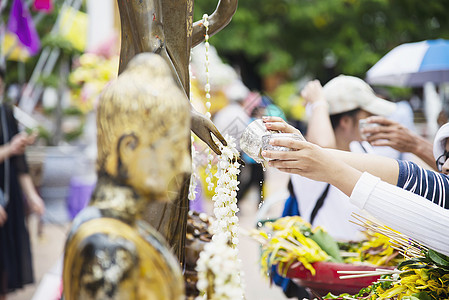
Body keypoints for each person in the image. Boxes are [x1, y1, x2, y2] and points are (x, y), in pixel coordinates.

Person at [63, 53, 188, 299]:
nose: (185, 166)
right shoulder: (108, 245)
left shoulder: (123, 229)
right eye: (173, 150)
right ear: (128, 148)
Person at [261, 120, 449, 256]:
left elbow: (412, 181)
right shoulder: (363, 149)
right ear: (345, 121)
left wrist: (322, 160)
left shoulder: (363, 150)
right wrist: (311, 153)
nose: (445, 166)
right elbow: (411, 178)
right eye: (445, 156)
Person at [265, 75, 397, 241]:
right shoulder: (308, 159)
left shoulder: (361, 148)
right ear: (346, 121)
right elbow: (323, 149)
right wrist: (319, 103)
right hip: (329, 260)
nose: (374, 120)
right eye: (368, 114)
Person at [0, 69, 45, 299]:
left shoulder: (6, 112)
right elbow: (10, 151)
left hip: (10, 199)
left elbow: (20, 165)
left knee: (6, 268)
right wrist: (9, 148)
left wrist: (33, 197)